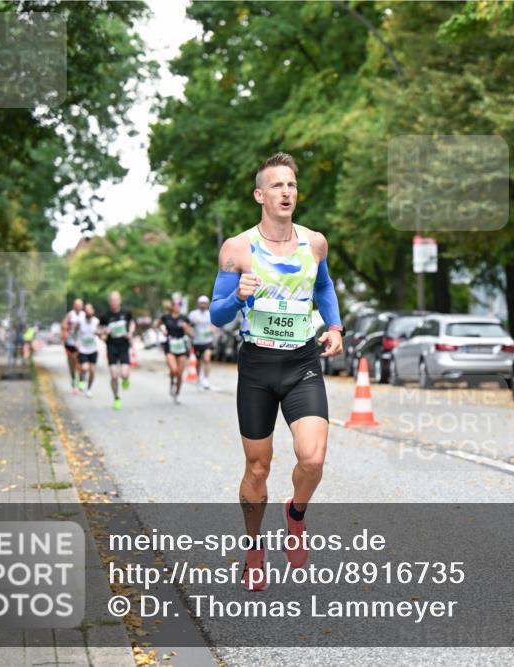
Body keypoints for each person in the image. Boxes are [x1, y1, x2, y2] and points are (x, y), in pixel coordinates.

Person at [210, 152, 344, 591]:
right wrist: (237, 296)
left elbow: (323, 285)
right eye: (277, 185)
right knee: (257, 469)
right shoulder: (237, 248)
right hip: (257, 367)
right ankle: (253, 549)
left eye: (291, 185)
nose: (286, 192)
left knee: (313, 457)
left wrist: (335, 326)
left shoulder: (315, 243)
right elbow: (216, 315)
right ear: (259, 195)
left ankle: (296, 514)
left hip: (302, 361)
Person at [99, 290, 135, 410]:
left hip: (123, 346)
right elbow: (98, 330)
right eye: (112, 300)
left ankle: (125, 379)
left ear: (120, 301)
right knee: (114, 376)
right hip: (111, 347)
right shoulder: (105, 316)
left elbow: (132, 323)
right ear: (109, 302)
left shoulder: (126, 313)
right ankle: (116, 398)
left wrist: (130, 332)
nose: (114, 302)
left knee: (124, 374)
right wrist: (104, 331)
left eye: (116, 300)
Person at [155, 296, 193, 404]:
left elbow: (190, 334)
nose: (177, 307)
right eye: (175, 305)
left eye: (179, 304)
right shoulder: (166, 317)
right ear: (172, 306)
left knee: (180, 373)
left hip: (181, 345)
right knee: (174, 370)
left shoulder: (184, 318)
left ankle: (177, 393)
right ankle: (172, 381)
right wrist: (163, 331)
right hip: (170, 345)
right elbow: (158, 326)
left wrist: (186, 329)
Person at [188, 295, 215, 389]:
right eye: (201, 303)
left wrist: (213, 329)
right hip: (197, 341)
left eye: (205, 303)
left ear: (208, 304)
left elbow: (214, 325)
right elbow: (188, 325)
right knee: (198, 361)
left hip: (208, 340)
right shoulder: (193, 314)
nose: (203, 305)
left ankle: (206, 379)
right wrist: (190, 332)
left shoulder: (210, 314)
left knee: (207, 359)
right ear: (198, 304)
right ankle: (199, 376)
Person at [75, 304, 101, 398]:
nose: (88, 312)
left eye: (90, 310)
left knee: (92, 371)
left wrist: (99, 333)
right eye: (86, 310)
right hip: (83, 349)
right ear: (84, 311)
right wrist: (76, 342)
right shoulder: (80, 322)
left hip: (93, 349)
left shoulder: (96, 321)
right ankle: (81, 379)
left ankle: (89, 389)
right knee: (85, 368)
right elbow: (75, 332)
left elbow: (100, 333)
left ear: (93, 311)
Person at [61, 299, 85, 395]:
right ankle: (74, 380)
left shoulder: (84, 315)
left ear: (82, 306)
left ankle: (81, 379)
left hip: (81, 344)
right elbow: (63, 327)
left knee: (80, 364)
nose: (78, 307)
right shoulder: (70, 315)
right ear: (73, 306)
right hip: (70, 343)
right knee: (72, 364)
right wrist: (71, 327)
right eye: (76, 305)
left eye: (80, 305)